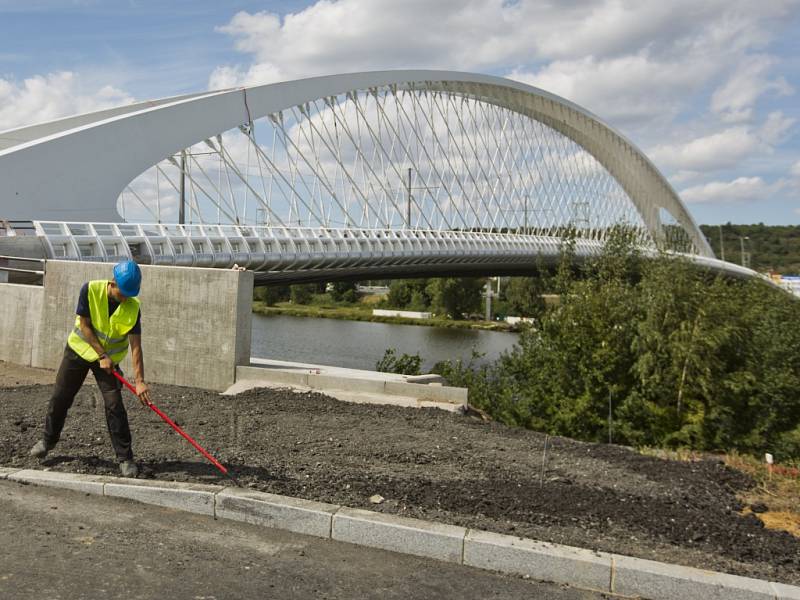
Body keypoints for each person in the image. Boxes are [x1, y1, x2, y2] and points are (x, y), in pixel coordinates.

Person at [30, 260, 151, 478]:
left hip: (108, 362)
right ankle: (47, 440)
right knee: (61, 397)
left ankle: (125, 458)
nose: (125, 297)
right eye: (123, 292)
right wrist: (101, 355)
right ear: (112, 282)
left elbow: (136, 346)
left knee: (114, 404)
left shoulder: (133, 307)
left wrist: (140, 380)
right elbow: (84, 325)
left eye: (129, 294)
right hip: (79, 350)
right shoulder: (90, 289)